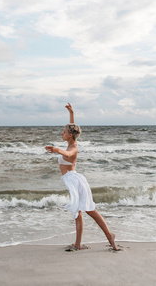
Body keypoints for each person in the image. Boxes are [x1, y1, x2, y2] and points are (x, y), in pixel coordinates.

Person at [45, 103, 118, 251]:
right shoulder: (72, 142)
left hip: (74, 181)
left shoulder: (73, 148)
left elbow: (68, 155)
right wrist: (71, 113)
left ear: (70, 135)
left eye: (64, 132)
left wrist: (57, 150)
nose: (62, 133)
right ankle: (92, 240)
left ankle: (108, 236)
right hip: (74, 180)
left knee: (84, 211)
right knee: (84, 211)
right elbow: (72, 128)